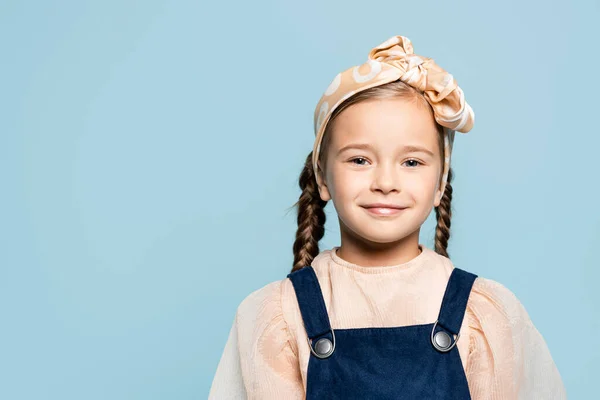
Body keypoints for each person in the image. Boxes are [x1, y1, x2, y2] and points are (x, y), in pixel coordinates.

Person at [208, 35, 567, 399]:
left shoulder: (486, 313)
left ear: (440, 182)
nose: (385, 183)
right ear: (322, 176)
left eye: (411, 162)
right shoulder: (278, 315)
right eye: (359, 160)